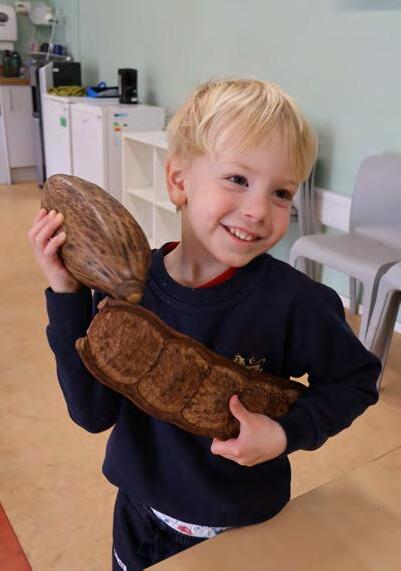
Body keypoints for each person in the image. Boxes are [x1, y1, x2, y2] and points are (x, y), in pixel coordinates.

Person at [28, 78, 381, 570]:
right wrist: (67, 297)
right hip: (139, 521)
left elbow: (356, 380)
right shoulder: (128, 291)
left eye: (281, 193)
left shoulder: (296, 303)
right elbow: (91, 413)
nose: (258, 210)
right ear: (179, 182)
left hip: (245, 528)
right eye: (237, 179)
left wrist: (285, 434)